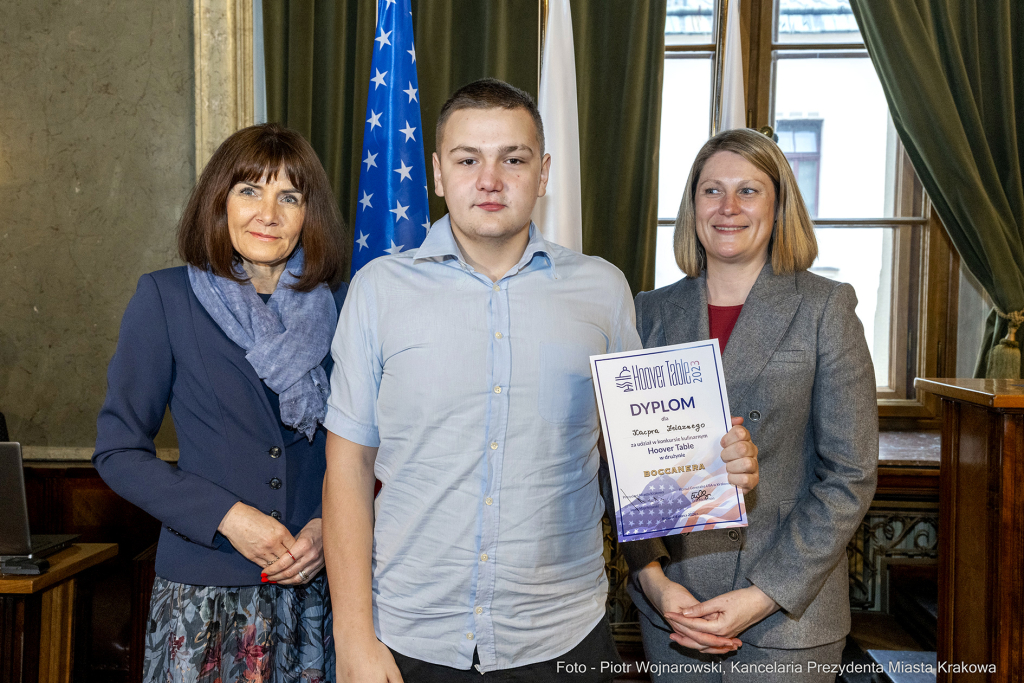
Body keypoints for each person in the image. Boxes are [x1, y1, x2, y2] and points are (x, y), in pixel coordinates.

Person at [321, 78, 760, 683]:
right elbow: (346, 470)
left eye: (514, 158)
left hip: (564, 636)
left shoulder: (603, 289)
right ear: (438, 172)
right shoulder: (377, 292)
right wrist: (352, 637)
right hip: (408, 636)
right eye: (468, 159)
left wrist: (713, 465)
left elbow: (638, 459)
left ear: (544, 171)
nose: (490, 179)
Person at [93, 123, 347, 683]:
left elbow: (380, 446)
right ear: (219, 202)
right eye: (249, 191)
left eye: (290, 196)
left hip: (322, 589)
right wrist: (229, 518)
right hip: (204, 595)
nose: (268, 213)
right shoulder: (166, 298)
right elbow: (118, 452)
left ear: (311, 213)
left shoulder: (348, 306)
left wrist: (330, 525)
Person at [622, 128, 878, 681]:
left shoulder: (825, 307)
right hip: (674, 613)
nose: (729, 208)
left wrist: (764, 595)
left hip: (787, 616)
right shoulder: (649, 313)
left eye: (749, 191)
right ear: (692, 207)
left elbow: (850, 476)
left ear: (779, 204)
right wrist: (655, 582)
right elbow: (623, 469)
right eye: (712, 191)